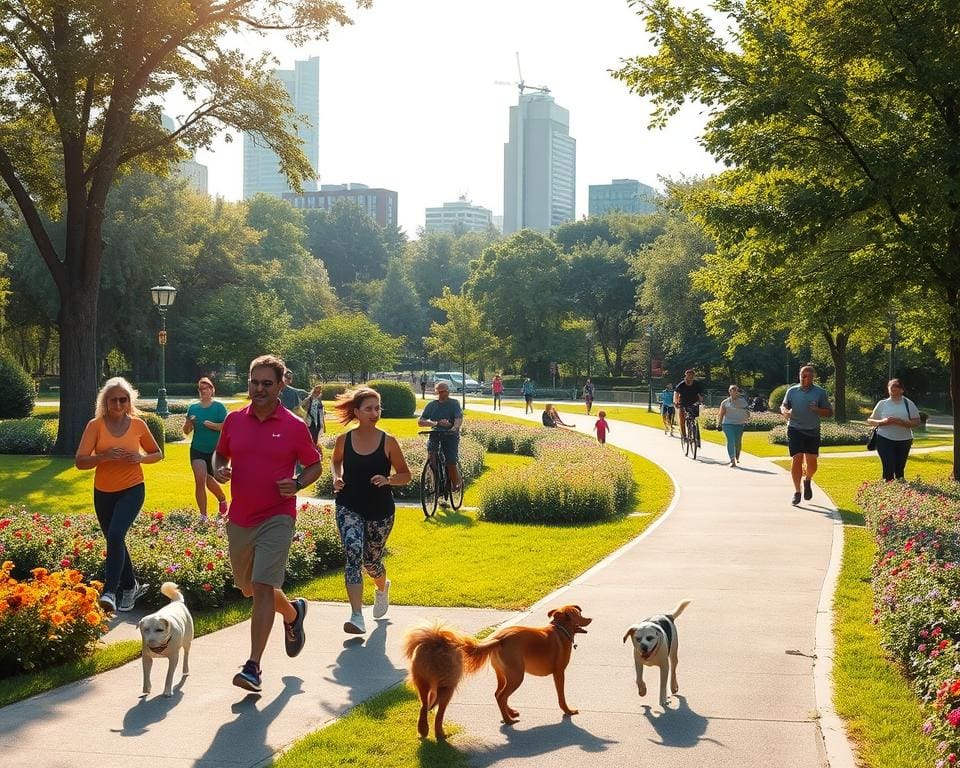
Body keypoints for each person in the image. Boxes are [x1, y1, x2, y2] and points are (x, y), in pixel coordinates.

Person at [212, 354, 323, 693]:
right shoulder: (234, 421)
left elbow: (314, 465)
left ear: (281, 385)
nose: (258, 389)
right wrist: (219, 468)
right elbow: (221, 454)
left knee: (261, 587)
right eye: (254, 382)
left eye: (266, 383)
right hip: (241, 517)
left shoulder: (293, 426)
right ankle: (292, 613)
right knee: (249, 587)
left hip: (277, 515)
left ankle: (253, 667)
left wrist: (299, 483)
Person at [75, 377, 163, 614]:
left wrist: (141, 458)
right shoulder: (95, 425)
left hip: (133, 488)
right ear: (105, 401)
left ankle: (110, 591)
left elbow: (157, 453)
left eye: (123, 399)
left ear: (129, 401)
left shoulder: (138, 425)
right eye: (113, 399)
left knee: (115, 533)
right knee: (115, 539)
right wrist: (103, 457)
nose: (118, 404)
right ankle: (130, 585)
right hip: (103, 492)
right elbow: (80, 462)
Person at [330, 387, 411, 634]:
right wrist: (337, 477)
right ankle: (356, 616)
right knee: (353, 554)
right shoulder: (345, 440)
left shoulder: (389, 441)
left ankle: (381, 587)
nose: (375, 413)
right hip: (349, 504)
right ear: (356, 412)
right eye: (369, 408)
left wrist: (388, 480)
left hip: (380, 509)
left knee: (371, 561)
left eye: (377, 408)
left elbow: (405, 475)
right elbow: (335, 461)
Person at [780, 364, 834, 505]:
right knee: (796, 458)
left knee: (812, 463)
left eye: (807, 376)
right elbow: (784, 405)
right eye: (802, 375)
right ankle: (797, 491)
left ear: (812, 378)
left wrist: (817, 409)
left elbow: (829, 412)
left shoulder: (820, 392)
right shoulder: (792, 391)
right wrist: (785, 411)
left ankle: (808, 479)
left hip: (812, 430)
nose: (803, 378)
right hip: (794, 428)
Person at [183, 376, 228, 523]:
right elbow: (186, 431)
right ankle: (203, 515)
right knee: (200, 479)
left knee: (210, 480)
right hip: (197, 449)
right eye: (201, 389)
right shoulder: (193, 408)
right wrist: (189, 422)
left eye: (206, 388)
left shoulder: (219, 407)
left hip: (215, 451)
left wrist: (212, 425)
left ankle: (221, 499)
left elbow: (225, 426)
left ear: (212, 390)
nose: (204, 391)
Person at [868, 378, 921, 481]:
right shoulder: (882, 404)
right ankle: (887, 487)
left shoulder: (908, 403)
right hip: (884, 438)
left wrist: (902, 422)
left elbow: (917, 422)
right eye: (890, 387)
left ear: (902, 390)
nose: (892, 390)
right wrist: (882, 422)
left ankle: (901, 490)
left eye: (895, 387)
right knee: (888, 466)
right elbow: (870, 420)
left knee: (899, 469)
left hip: (904, 440)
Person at [418, 380, 463, 491]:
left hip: (450, 435)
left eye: (444, 392)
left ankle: (456, 484)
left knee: (450, 461)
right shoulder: (432, 405)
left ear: (448, 392)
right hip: (435, 433)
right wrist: (436, 423)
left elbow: (458, 419)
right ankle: (436, 484)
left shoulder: (454, 404)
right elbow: (420, 421)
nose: (441, 394)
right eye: (439, 392)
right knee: (431, 457)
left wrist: (454, 428)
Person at [717, 385, 751, 467]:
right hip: (727, 424)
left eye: (735, 390)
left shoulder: (743, 402)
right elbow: (721, 414)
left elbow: (747, 413)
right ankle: (732, 460)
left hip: (739, 424)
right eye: (731, 390)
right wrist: (719, 423)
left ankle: (737, 456)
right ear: (729, 392)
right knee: (731, 440)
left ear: (738, 392)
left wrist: (746, 416)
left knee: (737, 442)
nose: (733, 392)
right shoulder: (725, 402)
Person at [674, 369, 705, 443]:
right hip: (683, 403)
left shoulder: (696, 384)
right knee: (682, 419)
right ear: (686, 376)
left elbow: (700, 394)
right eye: (689, 375)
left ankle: (695, 435)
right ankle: (684, 436)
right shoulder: (681, 384)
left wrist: (701, 400)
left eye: (692, 375)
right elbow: (676, 393)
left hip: (694, 402)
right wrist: (676, 401)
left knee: (694, 419)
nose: (690, 377)